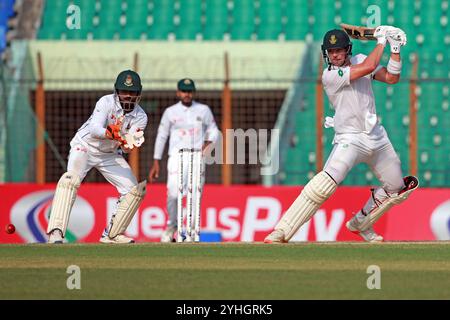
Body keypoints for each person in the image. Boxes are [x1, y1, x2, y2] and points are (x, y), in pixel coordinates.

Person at [265, 26, 419, 243]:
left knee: (397, 189)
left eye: (339, 50)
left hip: (376, 136)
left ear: (348, 49)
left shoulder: (360, 58)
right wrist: (382, 40)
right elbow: (370, 66)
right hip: (350, 139)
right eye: (331, 51)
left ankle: (360, 224)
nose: (335, 55)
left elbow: (392, 78)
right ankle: (281, 231)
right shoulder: (330, 75)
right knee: (323, 185)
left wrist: (395, 48)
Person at [47, 70, 148, 244]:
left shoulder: (141, 116)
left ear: (138, 94)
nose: (128, 96)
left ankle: (112, 234)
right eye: (125, 91)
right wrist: (111, 133)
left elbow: (128, 146)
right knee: (71, 180)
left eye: (132, 92)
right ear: (117, 91)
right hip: (85, 146)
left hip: (109, 155)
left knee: (133, 190)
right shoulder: (106, 102)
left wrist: (126, 145)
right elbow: (94, 129)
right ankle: (56, 231)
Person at [149, 78, 219, 242]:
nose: (187, 94)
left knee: (196, 193)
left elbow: (213, 130)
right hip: (176, 156)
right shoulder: (170, 112)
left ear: (193, 92)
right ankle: (172, 226)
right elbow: (162, 135)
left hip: (197, 156)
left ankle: (191, 231)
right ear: (178, 92)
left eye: (189, 91)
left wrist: (208, 143)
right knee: (173, 192)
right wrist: (156, 161)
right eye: (183, 91)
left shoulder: (203, 110)